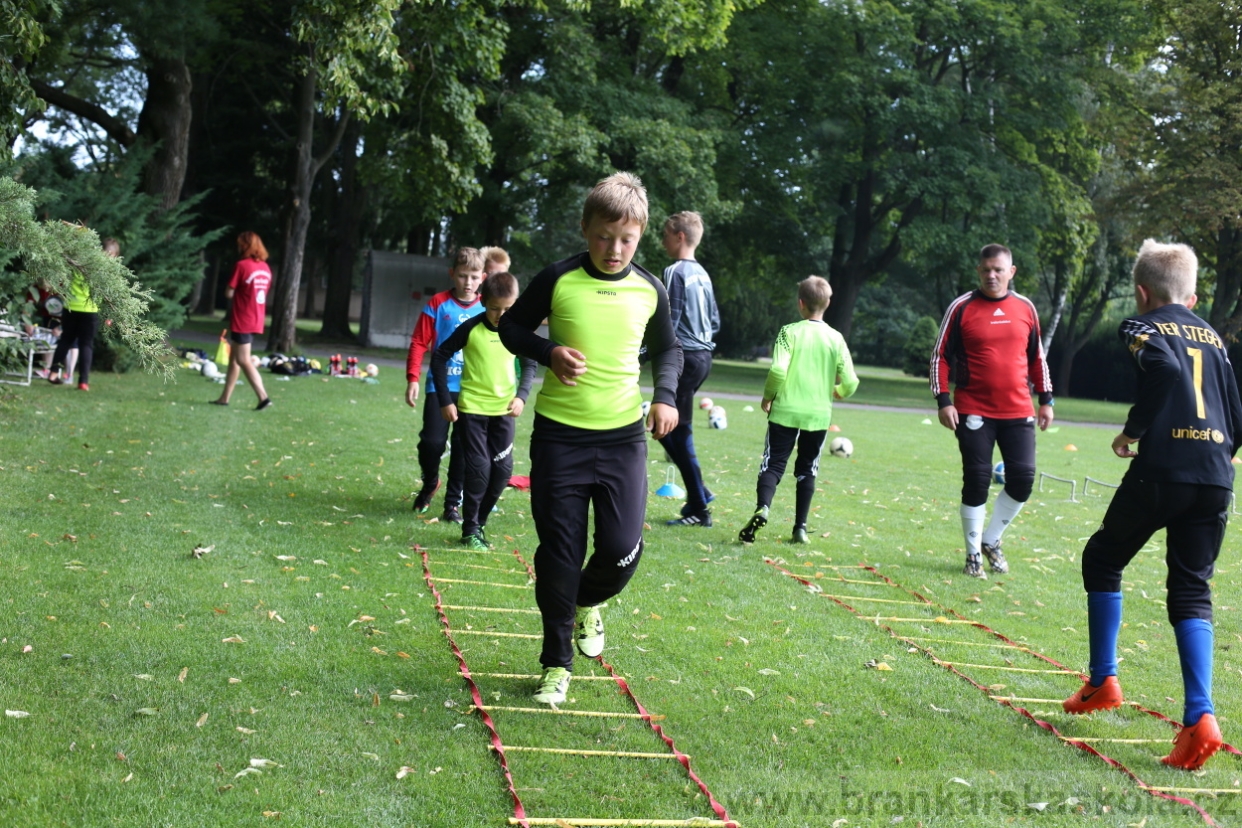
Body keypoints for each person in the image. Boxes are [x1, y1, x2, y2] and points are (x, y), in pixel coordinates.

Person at [499, 172, 682, 705]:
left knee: (623, 550)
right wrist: (548, 353)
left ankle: (584, 601)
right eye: (604, 236)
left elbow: (669, 350)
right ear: (586, 229)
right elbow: (511, 328)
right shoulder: (558, 278)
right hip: (560, 439)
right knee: (560, 552)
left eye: (626, 239)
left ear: (641, 235)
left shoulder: (651, 288)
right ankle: (556, 664)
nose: (614, 248)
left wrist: (666, 396)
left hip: (624, 439)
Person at [1062, 240, 1242, 771]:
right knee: (1191, 588)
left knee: (1102, 559)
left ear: (1142, 293)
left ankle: (1102, 680)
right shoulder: (1213, 335)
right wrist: (1218, 457)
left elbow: (1163, 373)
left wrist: (1130, 433)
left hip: (1163, 471)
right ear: (1191, 295)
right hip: (1215, 476)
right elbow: (1236, 408)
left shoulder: (1142, 326)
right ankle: (1200, 717)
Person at [930, 243, 1053, 579]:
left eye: (999, 269)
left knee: (1024, 479)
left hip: (1018, 410)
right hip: (972, 410)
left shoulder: (1026, 307)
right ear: (978, 271)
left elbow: (1036, 358)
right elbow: (939, 356)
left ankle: (991, 539)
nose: (992, 275)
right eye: (986, 270)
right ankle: (972, 556)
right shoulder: (961, 307)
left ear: (1011, 272)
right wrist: (944, 400)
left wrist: (1046, 399)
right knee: (978, 479)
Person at [737, 276, 859, 544]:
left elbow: (778, 369)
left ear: (800, 304)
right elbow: (850, 381)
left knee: (773, 464)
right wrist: (837, 392)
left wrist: (768, 396)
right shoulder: (836, 339)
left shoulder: (788, 332)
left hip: (785, 411)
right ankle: (800, 528)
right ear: (827, 304)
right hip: (817, 415)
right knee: (807, 468)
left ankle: (763, 508)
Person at [431, 271, 536, 550]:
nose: (500, 314)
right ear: (483, 301)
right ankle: (469, 530)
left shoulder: (517, 332)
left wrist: (522, 397)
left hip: (503, 413)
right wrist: (445, 400)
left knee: (502, 471)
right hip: (472, 411)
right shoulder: (472, 328)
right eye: (494, 308)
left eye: (508, 309)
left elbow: (531, 365)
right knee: (479, 469)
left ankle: (480, 523)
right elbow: (439, 357)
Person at [406, 247, 485, 522]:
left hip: (473, 389)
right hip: (439, 386)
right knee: (432, 442)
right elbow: (419, 341)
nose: (468, 282)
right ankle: (430, 483)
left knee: (463, 448)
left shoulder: (488, 308)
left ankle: (452, 505)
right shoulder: (438, 303)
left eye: (474, 276)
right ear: (452, 274)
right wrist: (413, 378)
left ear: (483, 277)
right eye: (462, 276)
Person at [659, 211, 721, 528]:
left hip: (685, 358)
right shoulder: (704, 275)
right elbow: (715, 322)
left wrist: (644, 353)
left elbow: (669, 321)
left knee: (672, 429)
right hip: (703, 358)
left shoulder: (675, 271)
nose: (662, 240)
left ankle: (699, 506)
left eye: (666, 234)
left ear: (680, 236)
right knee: (667, 427)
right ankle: (701, 494)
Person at [212, 232, 273, 410]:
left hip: (243, 318)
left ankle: (263, 397)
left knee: (243, 359)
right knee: (234, 359)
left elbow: (229, 293)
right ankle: (224, 398)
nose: (238, 248)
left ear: (246, 246)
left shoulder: (241, 265)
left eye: (240, 244)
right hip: (257, 317)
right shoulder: (265, 268)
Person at [49, 237, 116, 390]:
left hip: (70, 307)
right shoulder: (106, 270)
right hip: (90, 310)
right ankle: (83, 381)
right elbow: (109, 294)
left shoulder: (78, 263)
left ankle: (53, 373)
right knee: (86, 345)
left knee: (65, 341)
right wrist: (109, 315)